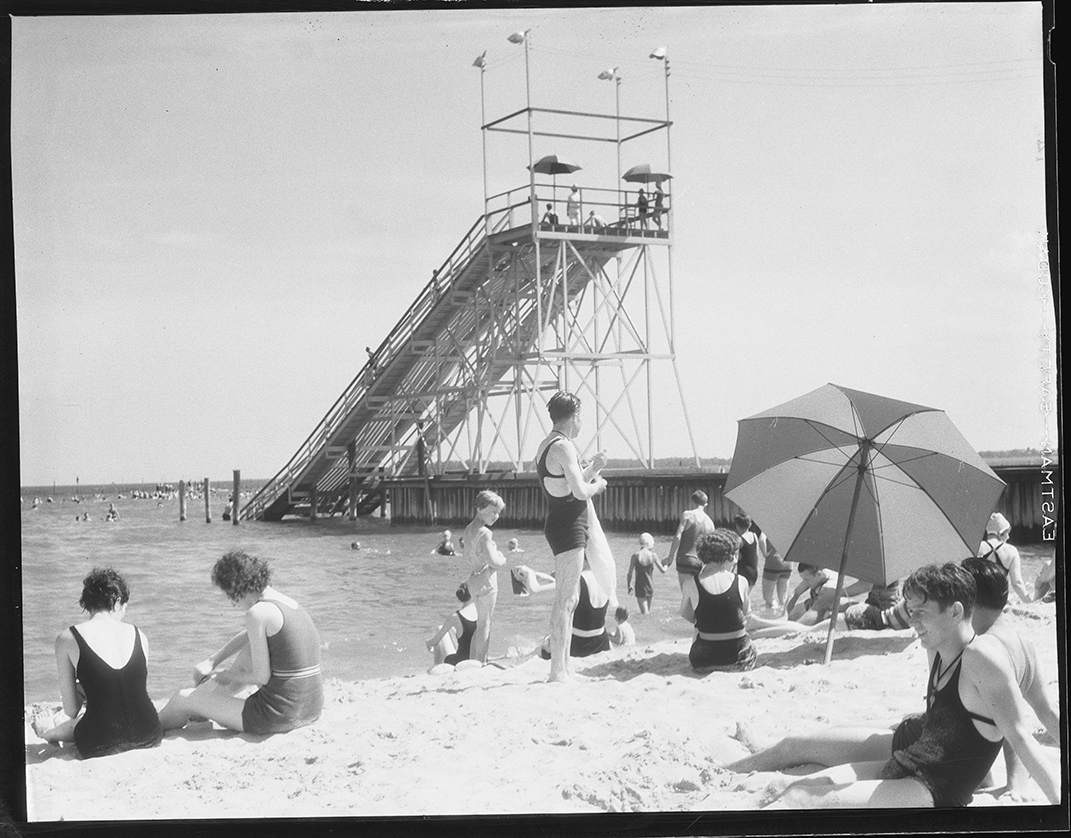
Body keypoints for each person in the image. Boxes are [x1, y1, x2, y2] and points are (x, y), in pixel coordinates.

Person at [726, 562, 1061, 808]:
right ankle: (725, 771)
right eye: (910, 610)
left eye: (920, 612)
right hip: (914, 758)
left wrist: (1060, 808)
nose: (911, 621)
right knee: (792, 784)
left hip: (935, 786)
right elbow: (960, 720)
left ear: (957, 611)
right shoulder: (941, 648)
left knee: (800, 798)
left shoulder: (983, 656)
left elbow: (1019, 734)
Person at [158, 550, 324, 736]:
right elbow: (250, 636)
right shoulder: (285, 603)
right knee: (248, 654)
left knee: (182, 699)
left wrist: (228, 675)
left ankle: (153, 729)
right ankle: (202, 706)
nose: (232, 602)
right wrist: (213, 661)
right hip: (311, 709)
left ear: (236, 587)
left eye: (229, 595)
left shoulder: (258, 612)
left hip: (277, 716)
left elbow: (261, 677)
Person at [31, 568, 162, 758]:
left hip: (100, 742)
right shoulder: (139, 635)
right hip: (149, 733)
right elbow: (129, 689)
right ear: (117, 601)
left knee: (84, 720)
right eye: (125, 606)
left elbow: (71, 710)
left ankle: (47, 732)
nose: (124, 612)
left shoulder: (67, 638)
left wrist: (83, 691)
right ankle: (50, 731)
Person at [961, 557, 1060, 797]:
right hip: (997, 743)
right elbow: (1046, 713)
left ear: (967, 600)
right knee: (1039, 711)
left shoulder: (983, 648)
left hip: (974, 763)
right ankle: (1013, 782)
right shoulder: (1025, 645)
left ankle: (995, 781)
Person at [534, 391, 609, 682]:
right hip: (567, 525)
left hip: (563, 521)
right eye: (580, 417)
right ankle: (557, 671)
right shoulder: (563, 446)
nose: (582, 423)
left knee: (571, 598)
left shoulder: (548, 444)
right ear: (574, 417)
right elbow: (580, 491)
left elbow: (568, 484)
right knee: (565, 600)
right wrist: (598, 485)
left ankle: (563, 666)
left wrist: (595, 468)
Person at [681, 529, 756, 672]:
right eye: (734, 556)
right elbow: (745, 613)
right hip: (740, 658)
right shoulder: (741, 581)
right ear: (727, 556)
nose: (735, 560)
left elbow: (685, 613)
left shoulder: (691, 583)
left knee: (699, 627)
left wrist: (704, 621)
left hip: (703, 660)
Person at [521, 563, 613, 661]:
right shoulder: (605, 578)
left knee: (540, 648)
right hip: (601, 643)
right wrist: (534, 575)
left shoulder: (575, 582)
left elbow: (536, 590)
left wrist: (529, 572)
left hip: (577, 646)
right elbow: (558, 583)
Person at [461, 490, 508, 663]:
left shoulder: (468, 530)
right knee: (485, 624)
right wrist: (502, 559)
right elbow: (493, 561)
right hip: (487, 582)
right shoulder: (485, 533)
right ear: (480, 508)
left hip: (474, 580)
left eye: (498, 512)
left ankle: (473, 659)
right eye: (493, 511)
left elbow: (468, 555)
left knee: (479, 624)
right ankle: (481, 662)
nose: (496, 516)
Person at [664, 490, 716, 591]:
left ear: (692, 502)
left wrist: (670, 557)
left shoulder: (687, 515)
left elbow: (677, 536)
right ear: (706, 504)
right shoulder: (710, 523)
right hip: (699, 563)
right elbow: (710, 548)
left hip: (684, 560)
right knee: (695, 596)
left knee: (685, 595)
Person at [977, 512, 1032, 602]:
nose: (1008, 536)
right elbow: (1017, 583)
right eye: (1007, 532)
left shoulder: (978, 547)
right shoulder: (1011, 550)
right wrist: (1028, 601)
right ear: (1001, 532)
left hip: (980, 600)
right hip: (999, 600)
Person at [425, 582, 478, 668]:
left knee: (440, 628)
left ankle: (437, 667)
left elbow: (434, 642)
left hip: (459, 662)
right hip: (478, 659)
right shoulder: (482, 614)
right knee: (452, 631)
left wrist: (427, 643)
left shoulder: (455, 617)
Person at [626, 533, 665, 614]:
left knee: (644, 613)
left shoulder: (635, 556)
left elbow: (629, 574)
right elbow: (663, 570)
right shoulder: (653, 556)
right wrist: (667, 564)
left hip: (640, 588)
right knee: (647, 613)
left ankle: (643, 626)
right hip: (650, 587)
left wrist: (629, 585)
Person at [758, 532, 792, 613]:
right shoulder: (787, 527)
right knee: (783, 597)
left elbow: (761, 540)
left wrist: (764, 553)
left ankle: (774, 614)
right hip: (788, 562)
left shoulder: (768, 527)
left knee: (768, 597)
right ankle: (784, 615)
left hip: (773, 562)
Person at [732, 514, 761, 589]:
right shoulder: (754, 536)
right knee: (747, 596)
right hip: (754, 572)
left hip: (743, 572)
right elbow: (757, 555)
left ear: (737, 526)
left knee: (742, 596)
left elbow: (735, 558)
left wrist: (731, 572)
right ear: (750, 525)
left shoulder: (739, 540)